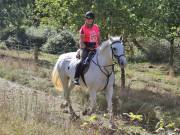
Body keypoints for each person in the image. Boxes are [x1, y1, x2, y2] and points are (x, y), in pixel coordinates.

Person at [73, 11, 100, 85]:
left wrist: (99, 46)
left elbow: (98, 38)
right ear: (85, 19)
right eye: (87, 18)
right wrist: (88, 47)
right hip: (85, 47)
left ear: (93, 19)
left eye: (91, 19)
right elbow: (81, 42)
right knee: (82, 61)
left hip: (95, 46)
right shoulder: (83, 29)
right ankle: (76, 78)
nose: (89, 20)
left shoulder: (96, 27)